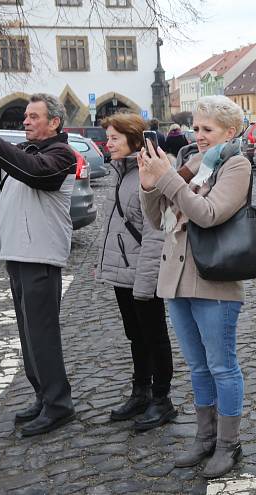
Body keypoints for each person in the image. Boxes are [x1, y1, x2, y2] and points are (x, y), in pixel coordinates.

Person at [0, 94, 77, 437]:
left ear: (54, 122)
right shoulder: (27, 153)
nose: (26, 121)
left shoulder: (60, 155)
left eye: (34, 116)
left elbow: (36, 174)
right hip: (18, 253)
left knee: (43, 335)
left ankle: (59, 405)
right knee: (28, 335)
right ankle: (43, 396)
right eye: (25, 116)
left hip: (40, 255)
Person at [138, 95, 250, 479]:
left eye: (207, 129)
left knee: (222, 366)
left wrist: (168, 177)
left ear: (229, 132)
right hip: (176, 278)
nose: (199, 136)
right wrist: (149, 182)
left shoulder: (236, 166)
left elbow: (208, 214)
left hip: (214, 279)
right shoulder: (191, 166)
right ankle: (204, 438)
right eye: (196, 128)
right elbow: (156, 220)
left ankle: (228, 444)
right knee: (199, 368)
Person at [95, 113, 176, 430]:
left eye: (114, 137)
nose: (108, 143)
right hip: (123, 272)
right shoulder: (120, 172)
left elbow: (155, 233)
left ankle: (162, 399)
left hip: (143, 274)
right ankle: (140, 391)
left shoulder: (148, 172)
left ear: (133, 139)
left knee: (155, 337)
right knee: (135, 336)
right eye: (108, 137)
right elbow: (114, 225)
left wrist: (146, 283)